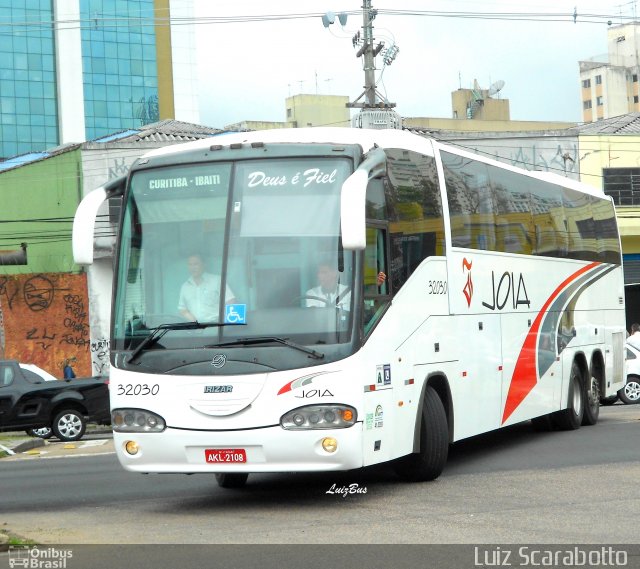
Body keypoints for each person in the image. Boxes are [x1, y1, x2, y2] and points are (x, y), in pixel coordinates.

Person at [178, 254, 236, 322]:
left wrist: (222, 322)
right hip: (194, 329)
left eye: (196, 264)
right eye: (190, 264)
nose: (192, 267)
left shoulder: (217, 280)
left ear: (203, 264)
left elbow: (230, 301)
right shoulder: (185, 287)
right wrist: (193, 321)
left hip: (216, 328)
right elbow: (182, 309)